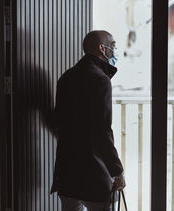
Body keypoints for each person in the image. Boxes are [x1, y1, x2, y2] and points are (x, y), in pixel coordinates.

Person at [51, 30, 126, 211]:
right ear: (102, 48)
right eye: (113, 46)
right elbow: (102, 130)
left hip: (66, 170)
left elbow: (58, 122)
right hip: (94, 172)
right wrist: (117, 171)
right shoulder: (100, 80)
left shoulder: (66, 77)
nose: (114, 51)